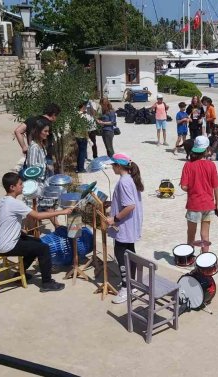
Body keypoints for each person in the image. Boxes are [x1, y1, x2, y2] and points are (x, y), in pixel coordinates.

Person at [0, 173, 71, 292]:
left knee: (37, 241)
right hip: (7, 246)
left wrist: (17, 229)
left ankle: (20, 275)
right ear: (12, 187)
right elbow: (38, 216)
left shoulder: (2, 200)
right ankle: (47, 283)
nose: (23, 186)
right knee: (43, 248)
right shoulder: (15, 203)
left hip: (0, 243)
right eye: (20, 184)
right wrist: (62, 212)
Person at [105, 153, 144, 304]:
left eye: (113, 165)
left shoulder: (124, 182)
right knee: (130, 253)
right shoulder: (129, 179)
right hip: (129, 225)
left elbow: (130, 205)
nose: (112, 168)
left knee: (121, 256)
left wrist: (114, 218)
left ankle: (125, 287)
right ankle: (132, 285)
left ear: (119, 166)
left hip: (124, 226)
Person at [180, 136, 218, 253]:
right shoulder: (212, 165)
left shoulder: (188, 165)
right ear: (207, 149)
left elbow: (184, 187)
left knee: (191, 234)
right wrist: (217, 204)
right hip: (208, 204)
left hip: (194, 204)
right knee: (205, 235)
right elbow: (216, 187)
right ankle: (205, 260)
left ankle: (189, 256)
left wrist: (193, 189)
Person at [74, 101, 96, 173]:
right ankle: (81, 169)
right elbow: (84, 129)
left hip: (77, 135)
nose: (86, 108)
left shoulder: (76, 114)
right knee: (82, 153)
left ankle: (78, 167)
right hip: (82, 137)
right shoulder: (82, 116)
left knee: (80, 152)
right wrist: (88, 138)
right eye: (85, 106)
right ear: (83, 106)